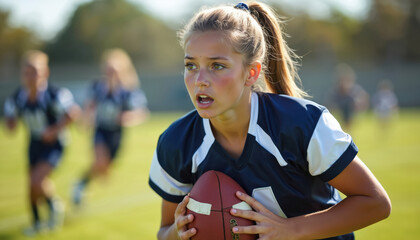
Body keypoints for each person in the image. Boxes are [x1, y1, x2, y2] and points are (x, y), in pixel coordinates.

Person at [148, 2, 391, 240]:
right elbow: (164, 231)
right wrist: (177, 232)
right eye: (190, 65)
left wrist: (289, 230)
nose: (200, 79)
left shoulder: (300, 124)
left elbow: (376, 202)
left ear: (251, 73)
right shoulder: (176, 142)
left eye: (217, 65)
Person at [3, 50, 80, 235]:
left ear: (45, 72)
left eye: (35, 72)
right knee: (31, 186)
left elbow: (73, 112)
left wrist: (54, 130)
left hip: (54, 144)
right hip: (34, 143)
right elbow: (11, 123)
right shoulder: (18, 97)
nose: (30, 77)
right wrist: (10, 123)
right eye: (27, 72)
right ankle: (38, 222)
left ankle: (54, 206)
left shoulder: (55, 94)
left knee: (37, 180)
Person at [72, 48, 149, 206]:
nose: (111, 73)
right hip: (101, 130)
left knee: (103, 171)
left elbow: (142, 112)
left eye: (115, 70)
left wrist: (128, 117)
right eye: (108, 70)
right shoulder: (97, 87)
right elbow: (90, 106)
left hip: (116, 134)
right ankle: (79, 186)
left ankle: (82, 182)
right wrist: (85, 120)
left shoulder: (127, 92)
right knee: (100, 162)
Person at [328, 63, 369, 132]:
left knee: (348, 124)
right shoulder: (337, 91)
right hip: (342, 110)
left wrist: (360, 105)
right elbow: (332, 102)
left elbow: (363, 97)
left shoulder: (354, 89)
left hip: (349, 109)